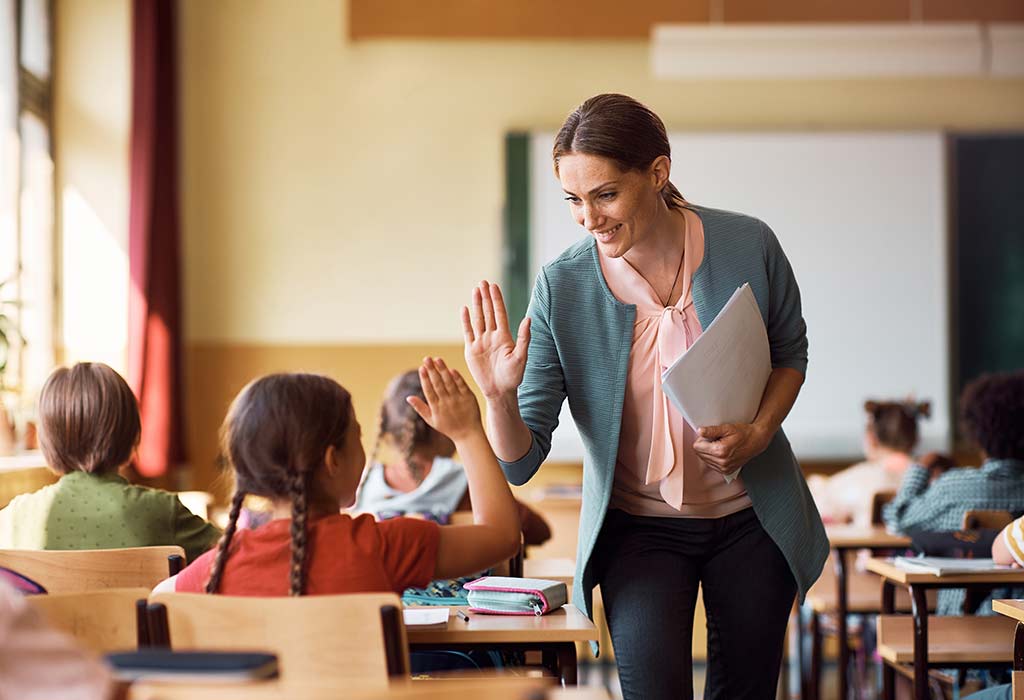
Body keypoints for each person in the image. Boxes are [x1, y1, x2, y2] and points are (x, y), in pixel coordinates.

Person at [460, 93, 827, 700]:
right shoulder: (563, 284)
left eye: (605, 195)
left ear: (657, 173)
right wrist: (497, 398)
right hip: (640, 530)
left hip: (752, 519)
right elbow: (520, 462)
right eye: (573, 200)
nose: (589, 218)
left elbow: (790, 352)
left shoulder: (748, 243)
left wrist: (759, 432)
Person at [161, 358, 521, 596]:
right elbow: (503, 537)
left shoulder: (213, 571)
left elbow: (159, 599)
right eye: (357, 436)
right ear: (333, 460)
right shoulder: (385, 546)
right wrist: (468, 432)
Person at [0, 363, 220, 562]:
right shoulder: (164, 512)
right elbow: (235, 557)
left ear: (46, 441)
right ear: (132, 436)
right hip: (135, 608)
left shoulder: (13, 519)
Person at [356, 369, 551, 546]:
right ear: (442, 428)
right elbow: (538, 531)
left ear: (388, 427)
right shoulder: (466, 480)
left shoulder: (363, 483)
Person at [884, 370, 1024, 614]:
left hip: (961, 618)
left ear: (977, 432)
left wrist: (921, 468)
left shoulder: (954, 487)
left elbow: (897, 520)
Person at [808, 399, 931, 527]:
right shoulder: (933, 479)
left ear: (871, 437)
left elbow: (816, 512)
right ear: (916, 439)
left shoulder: (855, 481)